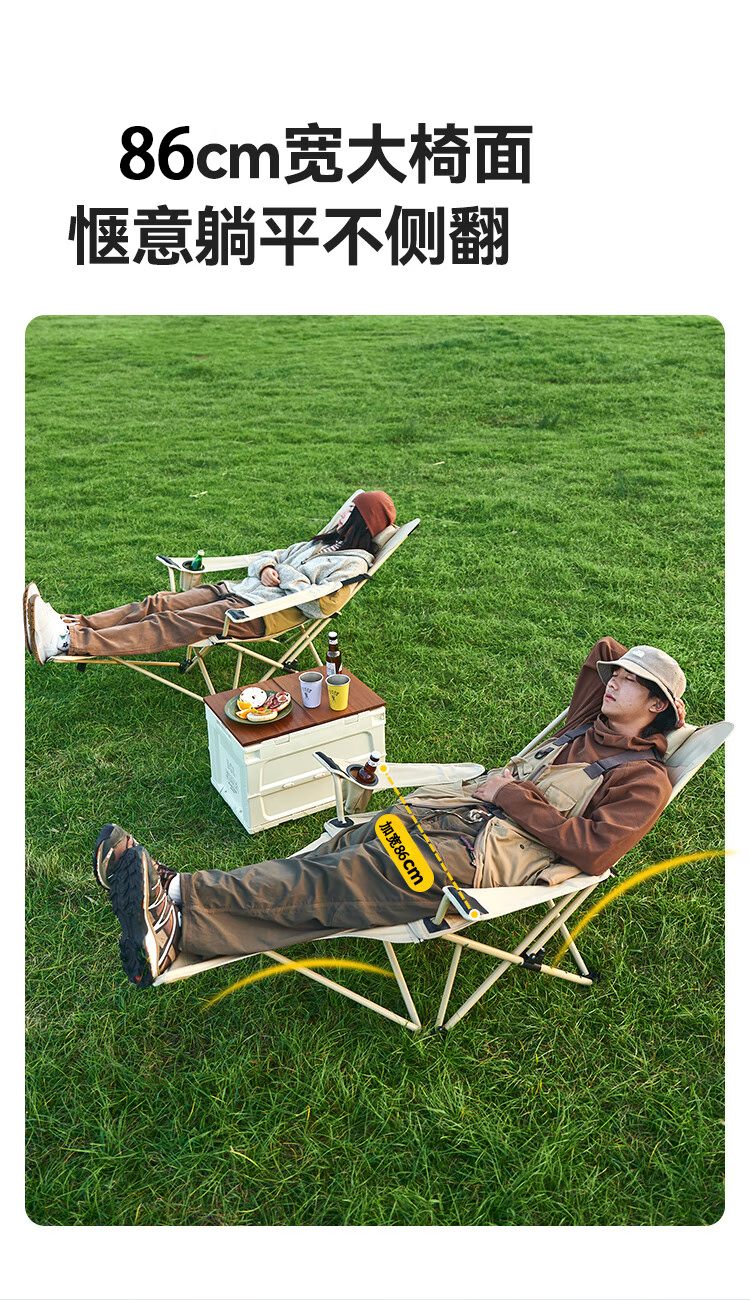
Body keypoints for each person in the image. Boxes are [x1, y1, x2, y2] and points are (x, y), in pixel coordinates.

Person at [93, 636, 688, 988]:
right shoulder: (588, 721)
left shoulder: (643, 778)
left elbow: (594, 852)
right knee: (332, 856)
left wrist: (507, 793)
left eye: (630, 681)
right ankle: (176, 923)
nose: (613, 680)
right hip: (443, 818)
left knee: (338, 881)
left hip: (471, 861)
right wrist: (636, 670)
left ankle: (180, 895)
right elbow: (603, 651)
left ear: (658, 704)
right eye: (615, 677)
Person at [23, 491, 397, 665]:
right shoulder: (321, 542)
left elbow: (321, 604)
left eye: (350, 511)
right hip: (237, 590)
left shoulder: (353, 566)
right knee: (158, 603)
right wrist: (266, 567)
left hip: (257, 614)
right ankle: (71, 624)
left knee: (170, 623)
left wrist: (281, 572)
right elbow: (270, 556)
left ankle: (67, 642)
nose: (342, 512)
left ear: (360, 522)